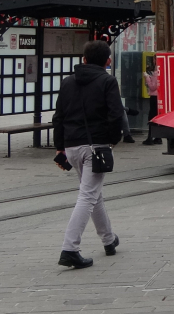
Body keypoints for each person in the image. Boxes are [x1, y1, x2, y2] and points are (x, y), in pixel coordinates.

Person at [53, 40, 125, 269]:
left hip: (72, 147)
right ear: (108, 61)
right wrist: (113, 140)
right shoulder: (107, 80)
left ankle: (108, 239)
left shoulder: (67, 82)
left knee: (94, 194)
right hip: (96, 147)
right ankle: (69, 248)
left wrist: (60, 147)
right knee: (87, 197)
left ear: (83, 59)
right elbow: (116, 114)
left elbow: (58, 117)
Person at [142, 63, 162, 145]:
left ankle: (150, 137)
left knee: (151, 116)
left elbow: (153, 87)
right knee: (157, 116)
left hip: (154, 97)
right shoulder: (161, 70)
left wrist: (147, 77)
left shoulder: (156, 71)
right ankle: (158, 137)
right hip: (159, 96)